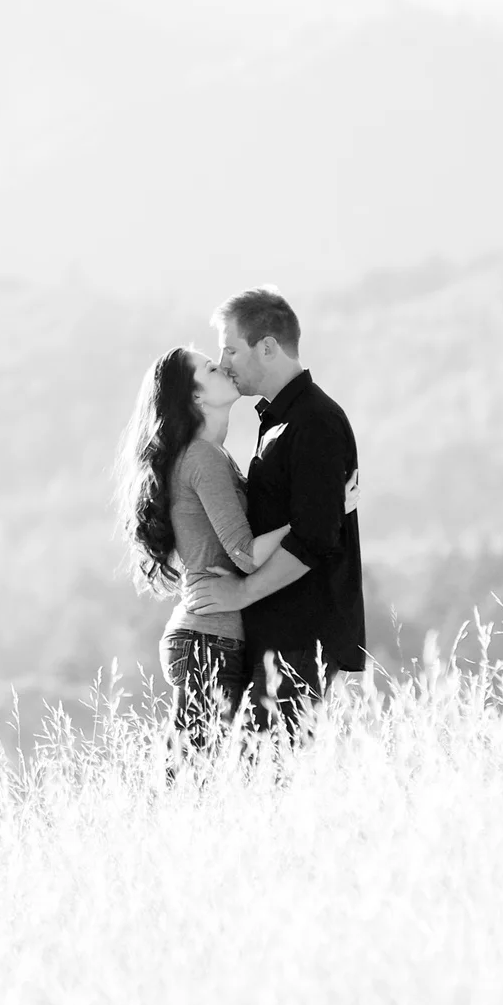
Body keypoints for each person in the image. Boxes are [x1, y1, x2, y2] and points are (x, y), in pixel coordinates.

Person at [185, 288, 367, 741]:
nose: (223, 361)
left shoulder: (314, 423)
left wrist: (241, 594)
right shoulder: (279, 421)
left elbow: (313, 539)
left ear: (267, 346)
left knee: (270, 778)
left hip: (300, 639)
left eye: (230, 348)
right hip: (279, 636)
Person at [115, 346, 290, 761]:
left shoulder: (211, 455)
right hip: (208, 641)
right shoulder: (203, 457)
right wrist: (310, 517)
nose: (224, 367)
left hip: (207, 637)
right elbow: (246, 555)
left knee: (202, 779)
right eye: (212, 368)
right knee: (194, 781)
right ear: (196, 397)